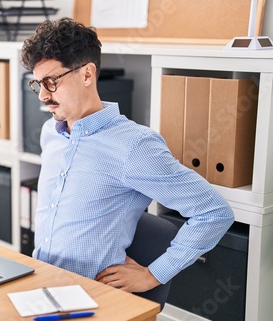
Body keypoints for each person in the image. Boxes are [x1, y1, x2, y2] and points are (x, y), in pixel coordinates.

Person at [20, 17, 234, 293]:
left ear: (87, 74)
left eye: (51, 82)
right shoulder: (51, 132)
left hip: (91, 296)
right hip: (41, 282)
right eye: (38, 84)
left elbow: (214, 212)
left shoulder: (135, 146)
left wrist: (154, 275)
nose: (42, 96)